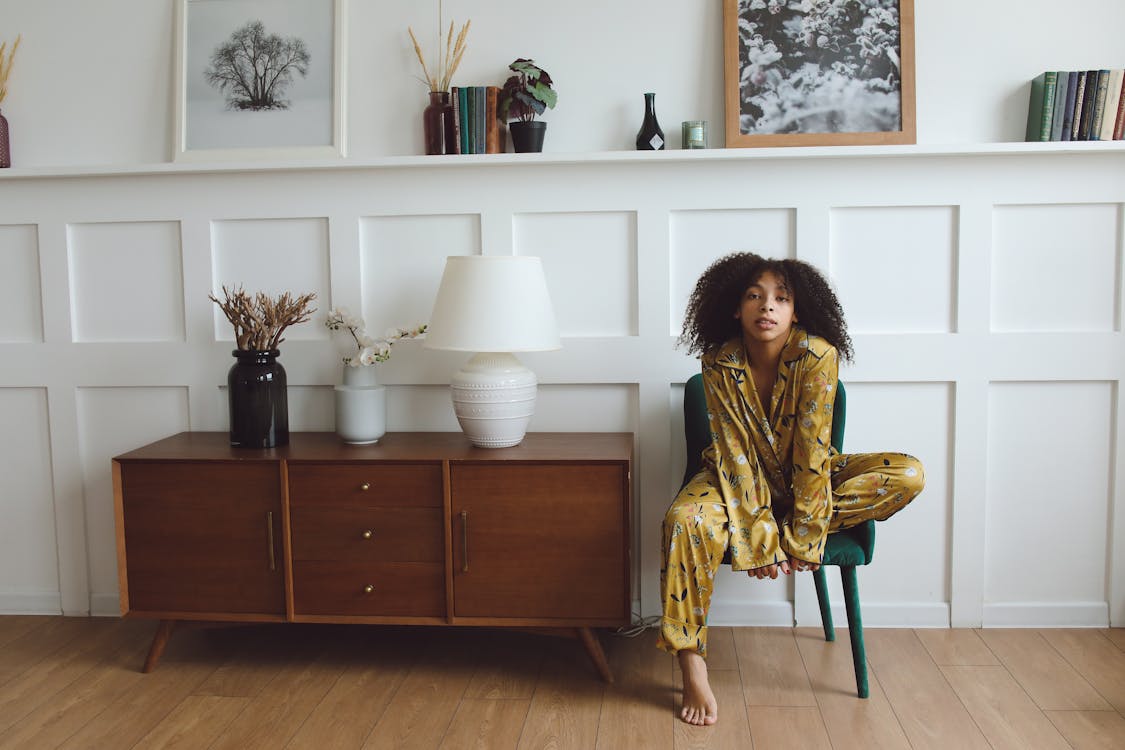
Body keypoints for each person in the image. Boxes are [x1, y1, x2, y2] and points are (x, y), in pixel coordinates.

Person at [659, 253, 924, 726]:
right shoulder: (719, 362)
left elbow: (812, 450)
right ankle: (691, 663)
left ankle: (796, 529)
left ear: (797, 311)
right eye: (754, 296)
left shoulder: (818, 355)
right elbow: (735, 456)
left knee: (907, 475)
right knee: (684, 520)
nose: (768, 307)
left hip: (810, 478)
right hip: (731, 481)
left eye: (781, 298)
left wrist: (800, 536)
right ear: (736, 308)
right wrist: (761, 540)